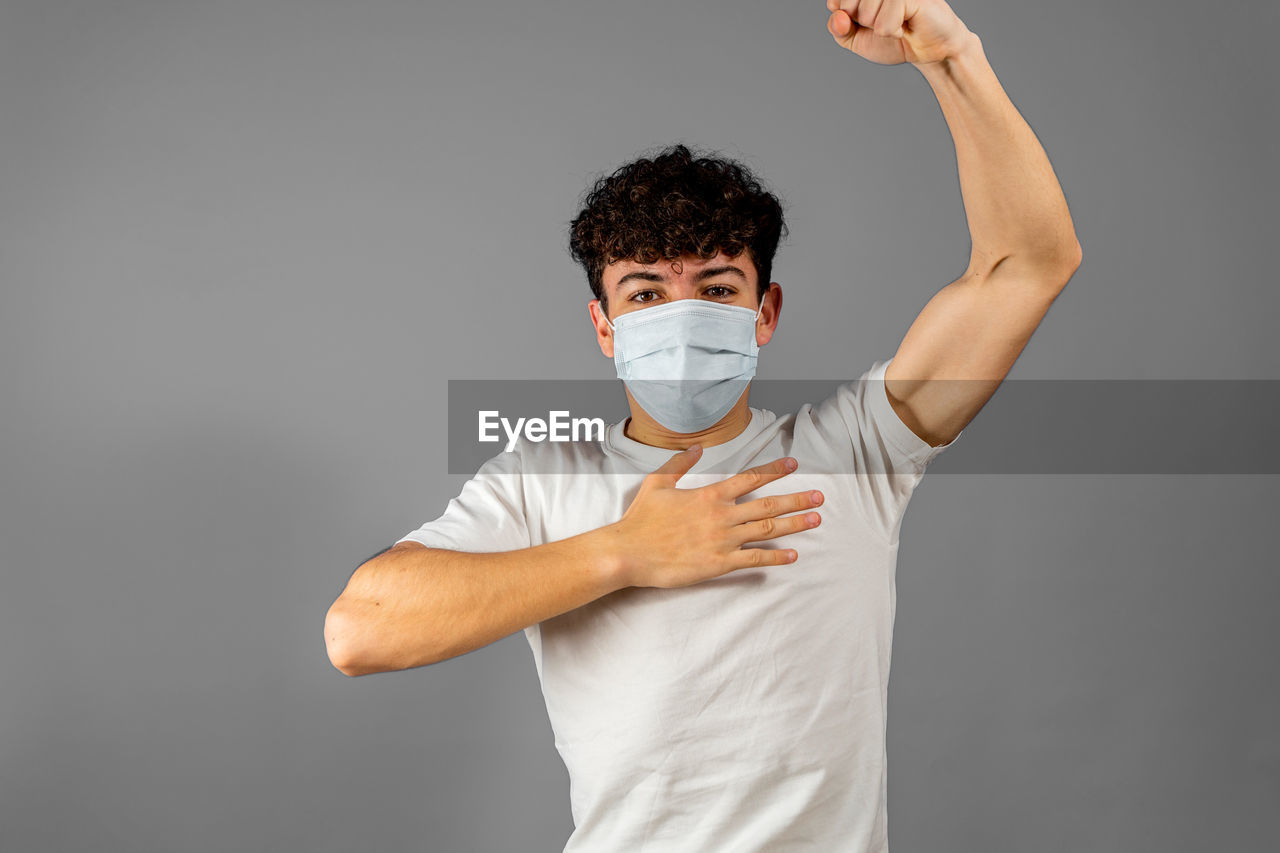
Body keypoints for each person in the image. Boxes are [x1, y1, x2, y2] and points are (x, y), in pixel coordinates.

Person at [325, 1, 1081, 849]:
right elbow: (361, 628)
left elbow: (1030, 265)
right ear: (605, 326)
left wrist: (953, 57)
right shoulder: (543, 480)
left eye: (718, 288)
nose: (681, 316)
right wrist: (625, 551)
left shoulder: (858, 450)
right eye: (646, 293)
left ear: (765, 312)